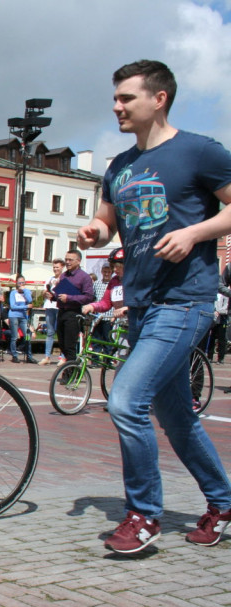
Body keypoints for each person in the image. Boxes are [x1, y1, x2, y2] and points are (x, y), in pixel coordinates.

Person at [77, 59, 231, 553]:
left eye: (127, 98)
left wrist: (193, 232)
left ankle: (143, 514)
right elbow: (107, 223)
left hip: (184, 300)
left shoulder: (199, 152)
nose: (116, 106)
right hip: (142, 305)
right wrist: (94, 232)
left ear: (158, 99)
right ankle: (224, 504)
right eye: (116, 98)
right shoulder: (119, 166)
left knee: (125, 401)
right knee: (177, 418)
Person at [54, 250, 95, 365]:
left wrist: (70, 298)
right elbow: (60, 295)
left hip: (73, 313)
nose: (67, 262)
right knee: (62, 344)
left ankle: (70, 372)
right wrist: (52, 296)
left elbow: (88, 297)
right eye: (66, 259)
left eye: (70, 260)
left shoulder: (84, 277)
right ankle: (70, 368)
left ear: (78, 261)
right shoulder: (63, 275)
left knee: (69, 345)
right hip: (61, 311)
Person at [39, 259, 65, 365]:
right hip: (49, 306)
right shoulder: (49, 279)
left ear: (62, 267)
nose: (55, 269)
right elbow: (44, 291)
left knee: (61, 332)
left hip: (59, 307)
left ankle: (63, 357)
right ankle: (47, 356)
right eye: (54, 267)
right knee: (50, 332)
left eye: (57, 267)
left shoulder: (64, 279)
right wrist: (46, 294)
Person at [7, 276, 34, 363]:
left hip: (23, 316)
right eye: (19, 283)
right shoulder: (13, 293)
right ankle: (14, 355)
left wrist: (25, 291)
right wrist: (25, 306)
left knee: (27, 336)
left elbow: (30, 300)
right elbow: (13, 306)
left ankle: (29, 356)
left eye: (23, 282)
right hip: (14, 315)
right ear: (16, 284)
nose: (21, 284)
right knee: (14, 336)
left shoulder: (27, 292)